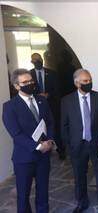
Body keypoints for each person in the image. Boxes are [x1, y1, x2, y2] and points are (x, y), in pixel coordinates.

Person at [61, 69, 98, 213]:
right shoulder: (67, 101)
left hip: (97, 142)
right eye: (85, 81)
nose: (88, 83)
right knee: (79, 175)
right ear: (76, 83)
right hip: (77, 144)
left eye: (89, 80)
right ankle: (82, 202)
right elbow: (64, 125)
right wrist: (68, 145)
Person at [2, 69, 55, 213]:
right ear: (16, 86)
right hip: (24, 158)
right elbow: (16, 134)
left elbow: (50, 122)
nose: (30, 84)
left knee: (43, 193)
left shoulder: (41, 100)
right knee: (23, 197)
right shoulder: (9, 107)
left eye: (31, 81)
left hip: (43, 157)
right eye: (25, 82)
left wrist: (49, 140)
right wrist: (38, 146)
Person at [30, 53, 65, 160]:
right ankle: (44, 150)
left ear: (42, 60)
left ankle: (61, 150)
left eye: (39, 59)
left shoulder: (52, 73)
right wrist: (38, 96)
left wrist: (48, 94)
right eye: (35, 60)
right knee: (40, 129)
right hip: (37, 108)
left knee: (55, 128)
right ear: (32, 62)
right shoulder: (29, 74)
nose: (38, 62)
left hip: (52, 105)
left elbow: (58, 89)